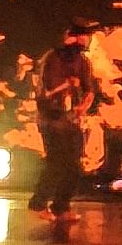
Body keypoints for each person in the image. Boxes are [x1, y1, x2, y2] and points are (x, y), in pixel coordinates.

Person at [30, 29, 102, 228]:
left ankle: (61, 206)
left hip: (71, 121)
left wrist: (82, 107)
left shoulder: (83, 62)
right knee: (56, 162)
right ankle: (38, 203)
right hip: (52, 120)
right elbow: (47, 92)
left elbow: (89, 90)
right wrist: (66, 85)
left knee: (74, 166)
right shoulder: (52, 59)